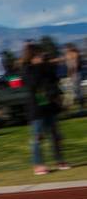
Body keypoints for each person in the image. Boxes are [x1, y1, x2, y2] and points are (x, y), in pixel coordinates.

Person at [23, 43, 68, 175]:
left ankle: (60, 160)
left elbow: (54, 80)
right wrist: (38, 66)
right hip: (36, 108)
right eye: (38, 54)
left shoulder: (47, 66)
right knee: (37, 137)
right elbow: (32, 84)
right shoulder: (27, 69)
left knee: (55, 135)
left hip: (50, 105)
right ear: (32, 55)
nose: (41, 56)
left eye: (41, 53)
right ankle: (38, 165)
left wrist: (59, 99)